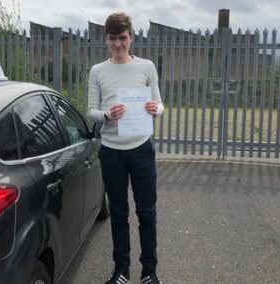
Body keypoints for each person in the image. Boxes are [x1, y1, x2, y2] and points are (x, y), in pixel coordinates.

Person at [88, 11, 164, 284]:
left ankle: (149, 272)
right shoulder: (97, 71)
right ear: (105, 39)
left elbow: (160, 104)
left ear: (131, 38)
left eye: (123, 38)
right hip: (111, 151)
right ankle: (121, 270)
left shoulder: (146, 67)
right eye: (112, 38)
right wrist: (107, 115)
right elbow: (92, 112)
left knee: (147, 212)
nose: (118, 44)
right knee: (118, 213)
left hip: (141, 148)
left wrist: (156, 109)